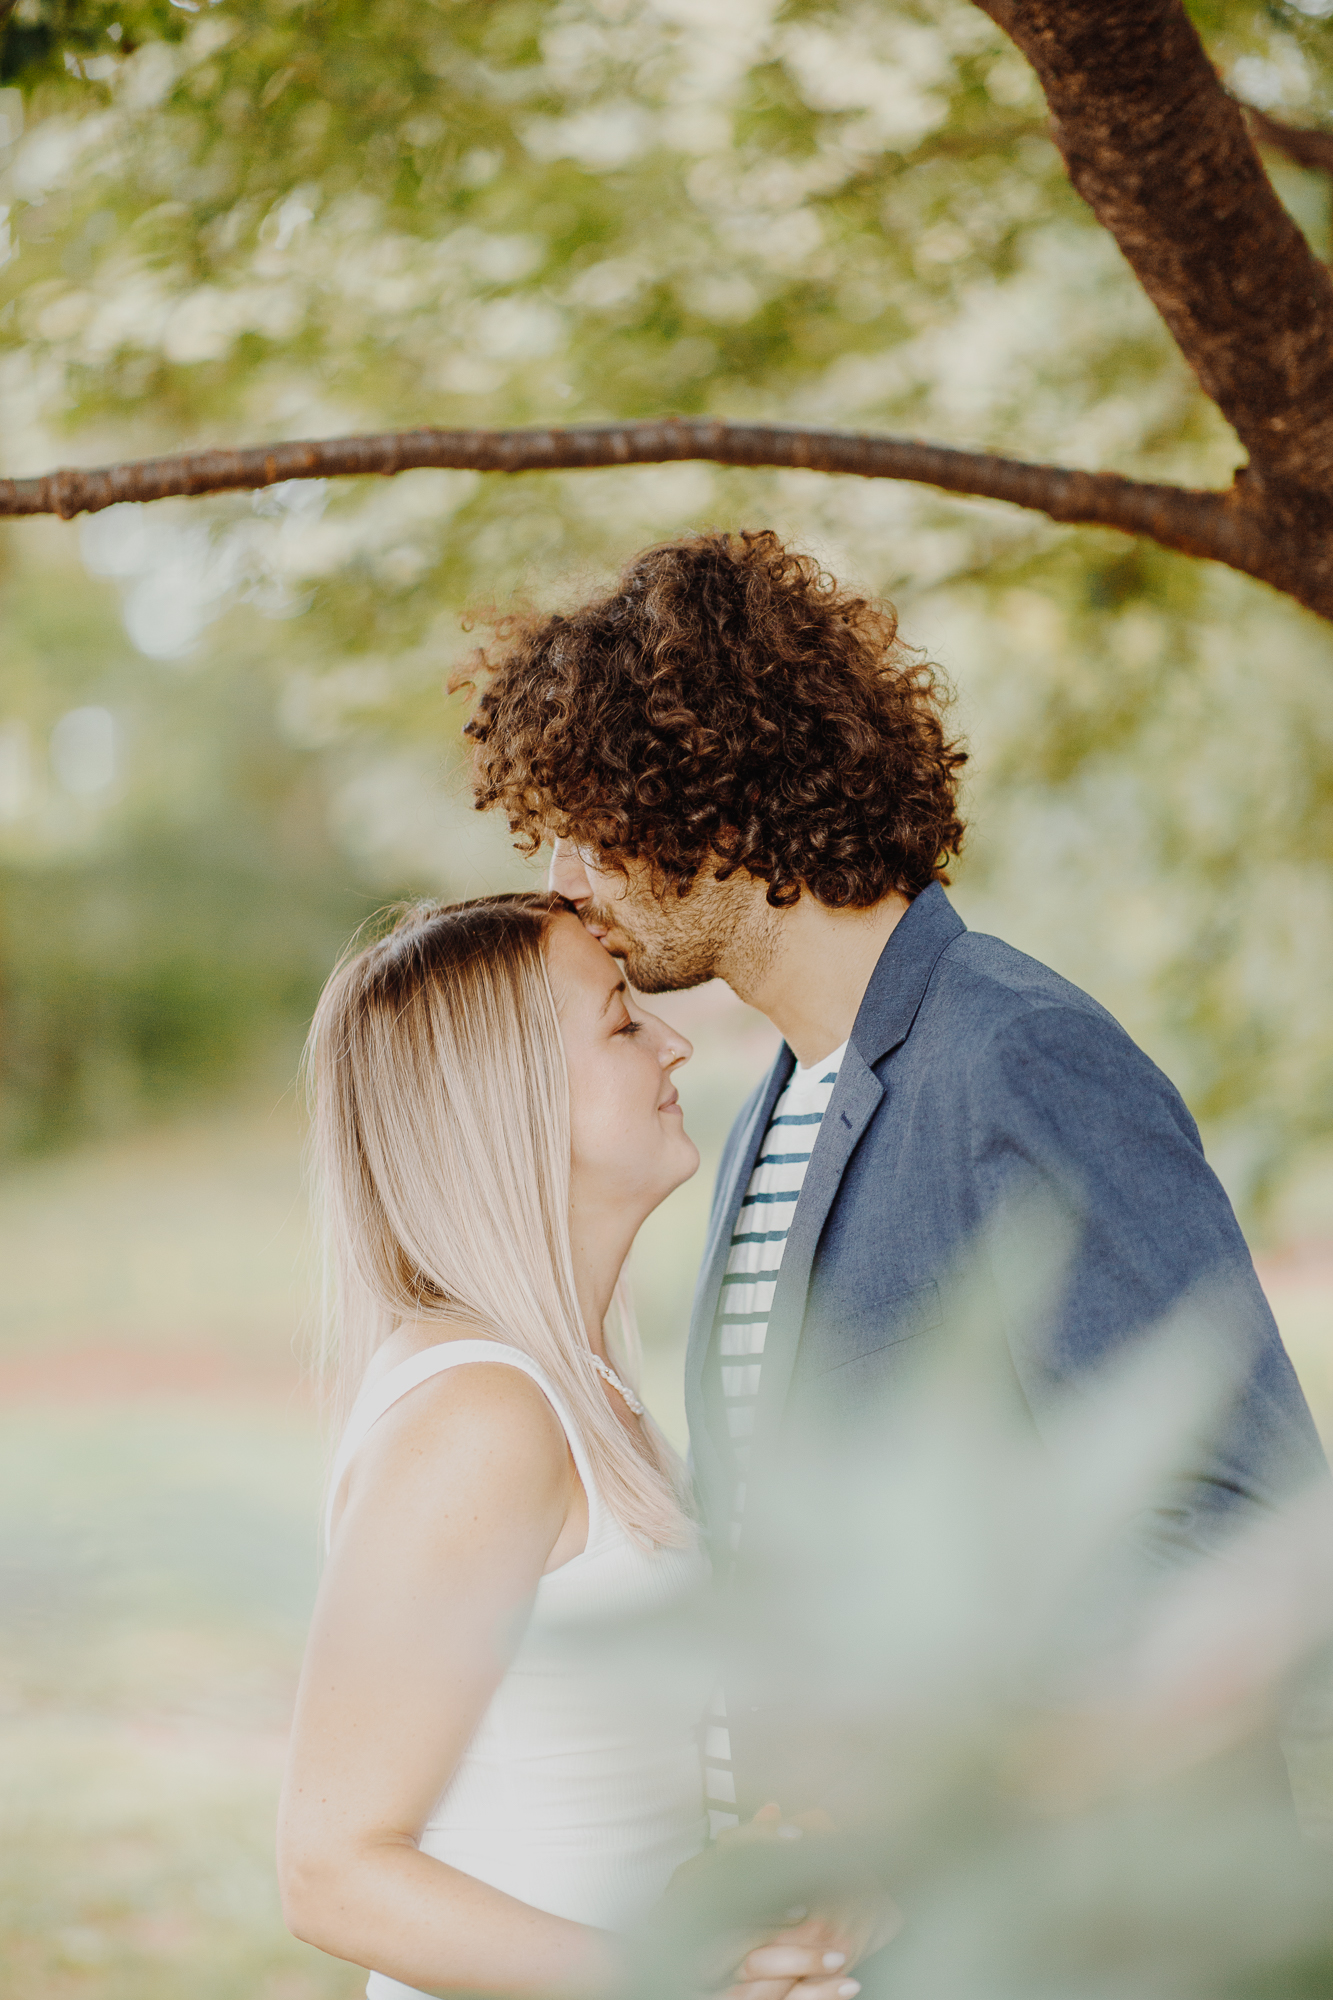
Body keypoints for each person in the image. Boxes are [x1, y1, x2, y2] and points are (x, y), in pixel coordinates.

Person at [461, 527, 1329, 1898]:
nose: (562, 878)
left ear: (716, 804)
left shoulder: (1015, 1056)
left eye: (586, 821)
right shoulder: (757, 1119)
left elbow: (1249, 1525)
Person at [278, 895, 862, 2000]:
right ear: (515, 1101)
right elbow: (330, 1870)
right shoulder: (480, 1417)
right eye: (619, 1022)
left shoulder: (580, 1393)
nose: (675, 1037)